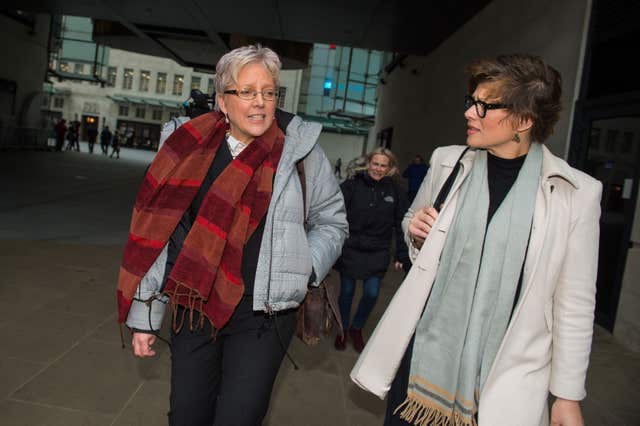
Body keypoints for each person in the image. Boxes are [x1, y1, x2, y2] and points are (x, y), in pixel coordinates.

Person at [350, 54, 602, 426]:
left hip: (506, 377)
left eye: (484, 105)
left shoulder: (575, 193)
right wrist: (414, 229)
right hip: (423, 361)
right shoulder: (447, 163)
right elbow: (411, 224)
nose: (469, 112)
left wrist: (566, 395)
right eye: (471, 101)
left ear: (523, 120)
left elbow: (575, 303)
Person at [116, 44, 347, 426]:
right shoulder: (186, 147)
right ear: (223, 100)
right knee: (187, 416)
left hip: (265, 316)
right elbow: (155, 231)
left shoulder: (300, 150)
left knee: (240, 417)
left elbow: (332, 220)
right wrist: (146, 314)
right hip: (194, 309)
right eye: (247, 92)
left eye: (269, 92)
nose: (260, 103)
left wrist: (305, 266)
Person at [333, 147, 409, 353]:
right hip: (351, 247)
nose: (378, 168)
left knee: (372, 292)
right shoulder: (351, 186)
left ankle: (357, 328)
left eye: (383, 165)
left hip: (378, 250)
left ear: (390, 168)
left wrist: (402, 254)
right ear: (368, 163)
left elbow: (402, 224)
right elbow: (334, 216)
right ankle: (343, 329)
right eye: (375, 164)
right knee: (347, 291)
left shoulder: (396, 192)